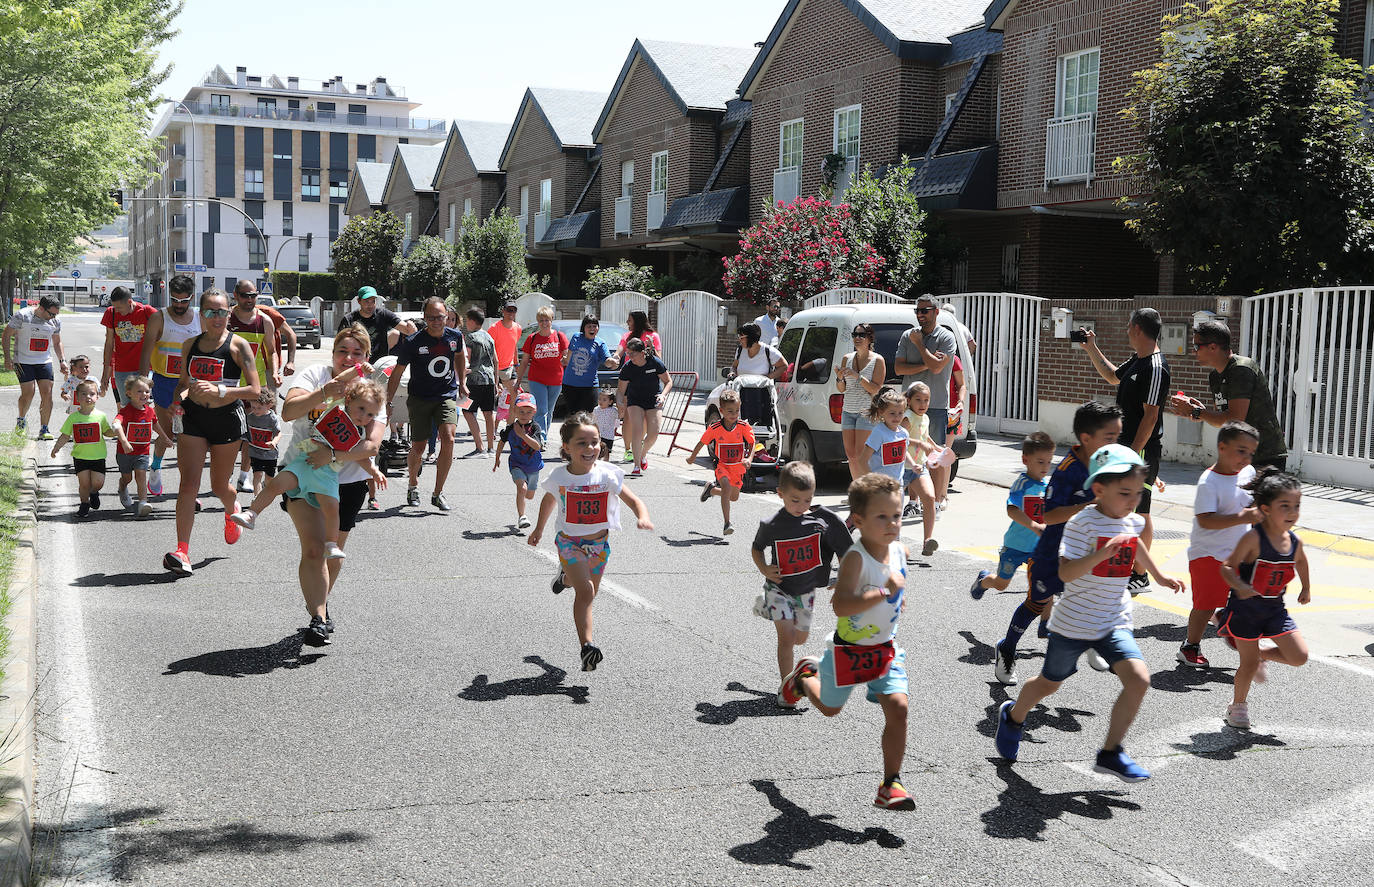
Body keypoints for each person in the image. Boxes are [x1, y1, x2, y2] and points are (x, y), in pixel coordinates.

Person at [994, 444, 1185, 781]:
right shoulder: (1082, 523)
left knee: (1139, 679)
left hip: (1114, 620)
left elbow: (1134, 540)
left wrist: (1158, 575)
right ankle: (1014, 716)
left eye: (1136, 493)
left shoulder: (1130, 520)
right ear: (1099, 489)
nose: (1132, 501)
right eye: (1124, 492)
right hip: (1073, 623)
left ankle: (1111, 752)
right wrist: (1101, 554)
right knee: (1048, 684)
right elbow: (1065, 574)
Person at [777, 473, 915, 810]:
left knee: (898, 708)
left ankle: (890, 783)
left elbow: (894, 590)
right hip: (850, 650)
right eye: (881, 517)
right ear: (859, 520)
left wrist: (896, 599)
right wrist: (883, 593)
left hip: (885, 648)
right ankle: (804, 678)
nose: (891, 523)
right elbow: (841, 605)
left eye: (896, 515)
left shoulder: (898, 550)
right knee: (829, 708)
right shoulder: (856, 558)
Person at [994, 401, 1123, 686]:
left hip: (1083, 550)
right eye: (1110, 437)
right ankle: (1007, 648)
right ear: (1087, 438)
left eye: (1117, 437)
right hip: (1052, 552)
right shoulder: (1067, 470)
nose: (1115, 443)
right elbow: (1049, 515)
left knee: (1089, 597)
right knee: (1036, 604)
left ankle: (1092, 642)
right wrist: (1087, 506)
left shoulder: (1110, 463)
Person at [276, 324, 388, 645]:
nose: (348, 358)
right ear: (334, 353)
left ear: (367, 357)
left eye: (357, 353)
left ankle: (320, 605)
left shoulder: (372, 391)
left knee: (333, 556)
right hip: (303, 474)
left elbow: (372, 445)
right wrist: (331, 390)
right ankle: (319, 618)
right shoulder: (315, 375)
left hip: (347, 483)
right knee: (313, 549)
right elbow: (288, 412)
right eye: (343, 351)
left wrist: (333, 454)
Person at [529, 411, 654, 672]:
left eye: (594, 442)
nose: (590, 448)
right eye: (582, 443)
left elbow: (634, 500)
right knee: (585, 592)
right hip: (569, 543)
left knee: (587, 593)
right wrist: (539, 529)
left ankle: (563, 579)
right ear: (567, 447)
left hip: (599, 545)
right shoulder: (560, 477)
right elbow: (549, 500)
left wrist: (642, 517)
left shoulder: (608, 474)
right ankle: (587, 647)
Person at [162, 289, 261, 576]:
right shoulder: (190, 344)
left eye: (221, 311)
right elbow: (183, 382)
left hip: (226, 419)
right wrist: (177, 401)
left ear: (229, 313)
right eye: (210, 312)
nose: (217, 317)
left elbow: (255, 390)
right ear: (201, 314)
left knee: (219, 486)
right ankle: (182, 550)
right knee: (188, 485)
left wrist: (220, 390)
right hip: (193, 418)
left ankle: (232, 510)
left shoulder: (238, 346)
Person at [232, 377, 384, 562]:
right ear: (349, 400)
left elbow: (359, 456)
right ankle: (251, 513)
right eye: (362, 408)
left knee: (332, 508)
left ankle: (331, 543)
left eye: (370, 415)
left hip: (327, 472)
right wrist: (352, 374)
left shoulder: (359, 434)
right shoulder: (335, 409)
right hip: (306, 460)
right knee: (276, 484)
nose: (364, 417)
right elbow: (325, 396)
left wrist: (374, 471)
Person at [1079, 309, 1170, 592]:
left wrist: (1131, 454)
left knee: (1140, 511)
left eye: (1129, 327)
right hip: (1125, 449)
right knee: (1120, 506)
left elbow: (1151, 416)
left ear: (1137, 328)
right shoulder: (1137, 360)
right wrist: (1091, 347)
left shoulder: (1155, 367)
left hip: (1139, 450)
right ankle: (1118, 563)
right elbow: (1112, 376)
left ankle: (1140, 576)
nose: (1127, 331)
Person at [1215, 468, 1311, 729]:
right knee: (1247, 663)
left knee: (1299, 656)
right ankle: (1237, 708)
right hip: (1246, 610)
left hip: (1274, 610)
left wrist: (1306, 588)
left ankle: (1262, 654)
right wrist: (1239, 585)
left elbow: (1301, 561)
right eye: (1285, 506)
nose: (1293, 512)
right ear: (1266, 509)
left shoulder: (1294, 540)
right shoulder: (1253, 538)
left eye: (1297, 506)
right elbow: (1226, 566)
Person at [751, 461, 852, 706]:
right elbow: (757, 549)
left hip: (806, 591)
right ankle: (789, 686)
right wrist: (764, 568)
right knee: (786, 638)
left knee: (800, 638)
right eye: (794, 500)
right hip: (779, 588)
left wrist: (843, 579)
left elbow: (845, 550)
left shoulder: (822, 521)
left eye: (807, 500)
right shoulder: (772, 524)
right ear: (780, 494)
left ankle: (764, 608)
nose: (801, 506)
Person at [1179, 421, 1261, 669]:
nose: (1246, 458)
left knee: (1244, 595)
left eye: (1250, 453)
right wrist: (1244, 517)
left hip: (1238, 553)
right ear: (1222, 447)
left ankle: (1226, 619)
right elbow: (1205, 521)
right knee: (1204, 605)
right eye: (1240, 451)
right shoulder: (1209, 482)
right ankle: (1190, 646)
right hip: (1208, 554)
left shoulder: (1247, 473)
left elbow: (1253, 499)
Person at [1169, 320, 1287, 470]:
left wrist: (1197, 412)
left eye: (1197, 346)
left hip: (1265, 458)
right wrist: (1199, 412)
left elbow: (1235, 420)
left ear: (1213, 347)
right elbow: (1224, 421)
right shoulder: (1215, 376)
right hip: (1240, 459)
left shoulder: (1241, 369)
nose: (1193, 351)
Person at [386, 297, 467, 512]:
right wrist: (387, 402)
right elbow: (397, 373)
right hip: (420, 398)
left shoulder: (455, 336)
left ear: (446, 317)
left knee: (448, 439)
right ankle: (413, 485)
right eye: (431, 318)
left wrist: (462, 383)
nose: (436, 321)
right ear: (425, 318)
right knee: (419, 447)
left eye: (440, 317)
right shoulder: (412, 342)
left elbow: (459, 356)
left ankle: (438, 493)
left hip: (446, 396)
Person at [970, 432, 1056, 600]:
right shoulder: (1021, 484)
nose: (1045, 467)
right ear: (1026, 460)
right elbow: (1012, 509)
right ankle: (983, 580)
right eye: (1040, 462)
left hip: (1038, 547)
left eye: (1049, 462)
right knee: (1001, 585)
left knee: (1041, 585)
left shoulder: (1049, 486)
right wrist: (1034, 526)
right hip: (1015, 545)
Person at [139, 275, 200, 496]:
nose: (179, 305)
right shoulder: (159, 318)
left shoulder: (199, 318)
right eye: (175, 300)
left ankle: (189, 489)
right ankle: (155, 466)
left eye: (184, 301)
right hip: (165, 381)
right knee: (167, 432)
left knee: (190, 436)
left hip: (191, 383)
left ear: (191, 297)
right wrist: (142, 383)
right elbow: (146, 352)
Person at [893, 294, 956, 509]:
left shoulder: (946, 338)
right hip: (908, 408)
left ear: (936, 312)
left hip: (935, 405)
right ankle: (914, 502)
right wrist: (927, 363)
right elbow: (899, 369)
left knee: (933, 456)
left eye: (925, 310)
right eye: (917, 311)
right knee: (911, 454)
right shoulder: (906, 335)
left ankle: (938, 500)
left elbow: (938, 368)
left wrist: (920, 346)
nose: (920, 315)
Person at [50, 379, 129, 517]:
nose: (88, 397)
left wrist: (116, 431)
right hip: (80, 456)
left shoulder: (101, 416)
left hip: (98, 456)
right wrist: (56, 448)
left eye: (91, 394)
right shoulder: (73, 418)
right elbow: (65, 435)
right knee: (84, 483)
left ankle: (94, 493)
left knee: (98, 483)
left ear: (97, 397)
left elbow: (106, 432)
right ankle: (84, 504)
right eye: (84, 394)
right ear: (77, 397)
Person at [685, 389, 755, 536]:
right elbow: (702, 442)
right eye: (730, 411)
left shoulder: (743, 427)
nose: (734, 414)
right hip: (722, 466)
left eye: (736, 411)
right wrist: (692, 457)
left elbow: (752, 443)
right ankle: (727, 523)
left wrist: (748, 459)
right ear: (721, 411)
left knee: (733, 497)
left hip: (738, 468)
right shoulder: (715, 428)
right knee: (726, 487)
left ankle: (710, 490)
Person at [3, 294, 67, 439]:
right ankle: (21, 421)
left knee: (47, 393)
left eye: (56, 314)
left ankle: (44, 429)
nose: (54, 317)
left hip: (44, 360)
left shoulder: (55, 321)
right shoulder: (23, 316)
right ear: (41, 308)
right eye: (51, 313)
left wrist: (62, 360)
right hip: (23, 360)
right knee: (28, 393)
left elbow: (57, 342)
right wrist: (8, 357)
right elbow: (6, 335)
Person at [836, 323, 887, 482]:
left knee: (861, 454)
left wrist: (857, 376)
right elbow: (841, 389)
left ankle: (867, 489)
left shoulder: (878, 360)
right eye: (855, 335)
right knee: (851, 455)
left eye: (861, 335)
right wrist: (839, 377)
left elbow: (875, 389)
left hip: (866, 412)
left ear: (869, 338)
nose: (857, 338)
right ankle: (856, 490)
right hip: (848, 410)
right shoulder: (847, 358)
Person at [616, 338, 672, 477]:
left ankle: (642, 454)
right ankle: (636, 466)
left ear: (642, 353)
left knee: (653, 433)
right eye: (628, 353)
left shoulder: (654, 362)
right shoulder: (628, 368)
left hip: (653, 399)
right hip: (635, 400)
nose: (630, 357)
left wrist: (663, 395)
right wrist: (619, 403)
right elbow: (620, 390)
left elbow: (668, 381)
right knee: (638, 430)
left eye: (632, 354)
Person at [513, 306, 570, 442]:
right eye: (541, 320)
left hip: (556, 380)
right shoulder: (532, 338)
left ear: (551, 320)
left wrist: (565, 358)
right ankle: (540, 439)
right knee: (541, 410)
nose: (544, 323)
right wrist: (518, 380)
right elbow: (525, 360)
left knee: (549, 411)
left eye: (547, 320)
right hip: (537, 379)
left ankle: (541, 436)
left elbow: (567, 356)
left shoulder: (559, 336)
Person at [111, 375, 164, 517]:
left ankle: (143, 503)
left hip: (142, 452)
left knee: (141, 475)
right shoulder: (125, 411)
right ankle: (122, 487)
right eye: (139, 391)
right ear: (128, 393)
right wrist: (124, 442)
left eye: (146, 391)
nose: (144, 394)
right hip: (125, 453)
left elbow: (155, 424)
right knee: (127, 478)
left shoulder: (150, 411)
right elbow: (116, 425)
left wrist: (165, 438)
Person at [492, 391, 544, 531]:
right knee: (522, 488)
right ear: (514, 411)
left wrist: (522, 435)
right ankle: (522, 517)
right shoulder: (510, 429)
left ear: (534, 412)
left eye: (528, 412)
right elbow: (501, 442)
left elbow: (537, 446)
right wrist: (497, 457)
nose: (524, 415)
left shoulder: (535, 428)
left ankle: (524, 501)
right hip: (516, 464)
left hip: (533, 466)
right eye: (521, 411)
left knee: (530, 495)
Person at [98, 286, 157, 406]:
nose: (117, 310)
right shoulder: (111, 313)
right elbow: (109, 344)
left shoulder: (147, 312)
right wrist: (105, 374)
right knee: (126, 407)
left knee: (143, 407)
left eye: (119, 307)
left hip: (145, 368)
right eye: (115, 307)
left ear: (129, 302)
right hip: (122, 369)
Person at [900, 382, 938, 556]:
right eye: (918, 400)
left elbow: (924, 435)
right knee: (893, 509)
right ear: (908, 401)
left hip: (919, 467)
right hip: (901, 468)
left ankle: (927, 541)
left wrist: (937, 448)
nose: (923, 404)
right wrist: (921, 444)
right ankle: (891, 544)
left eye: (926, 400)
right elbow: (901, 440)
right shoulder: (907, 417)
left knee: (930, 498)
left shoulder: (925, 417)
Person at [460, 307, 498, 456]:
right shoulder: (489, 337)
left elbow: (466, 359)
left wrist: (461, 378)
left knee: (467, 411)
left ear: (471, 321)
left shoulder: (470, 337)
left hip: (474, 380)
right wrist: (496, 382)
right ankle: (490, 448)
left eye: (466, 320)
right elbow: (496, 360)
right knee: (488, 413)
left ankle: (479, 447)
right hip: (489, 379)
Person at [340, 285, 414, 362]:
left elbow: (406, 329)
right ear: (359, 301)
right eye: (366, 301)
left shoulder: (384, 315)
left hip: (379, 365)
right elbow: (341, 345)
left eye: (373, 301)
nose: (370, 305)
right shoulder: (349, 320)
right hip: (356, 364)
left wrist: (411, 328)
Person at [862, 388, 915, 491]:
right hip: (880, 487)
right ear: (881, 412)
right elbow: (862, 460)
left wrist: (913, 465)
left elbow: (904, 451)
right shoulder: (879, 432)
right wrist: (872, 481)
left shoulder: (904, 433)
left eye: (900, 413)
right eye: (892, 413)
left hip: (898, 486)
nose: (897, 417)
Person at [563, 314, 614, 416]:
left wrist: (612, 362)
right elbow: (568, 358)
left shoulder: (600, 343)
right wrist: (564, 360)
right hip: (570, 384)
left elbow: (607, 361)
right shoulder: (576, 337)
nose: (592, 329)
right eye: (589, 326)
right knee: (575, 416)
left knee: (590, 415)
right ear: (584, 328)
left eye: (594, 326)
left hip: (589, 385)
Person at [244, 390, 283, 495]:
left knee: (269, 479)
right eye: (253, 407)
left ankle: (266, 485)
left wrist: (274, 442)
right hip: (255, 452)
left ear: (269, 405)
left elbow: (278, 433)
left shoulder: (272, 418)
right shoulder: (250, 417)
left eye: (259, 408)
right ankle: (257, 498)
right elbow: (246, 431)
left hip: (270, 454)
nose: (255, 410)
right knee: (257, 475)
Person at [488, 301, 522, 385]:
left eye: (514, 310)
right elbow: (488, 350)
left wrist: (517, 364)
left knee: (515, 393)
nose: (511, 313)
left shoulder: (518, 328)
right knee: (496, 396)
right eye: (509, 310)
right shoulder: (494, 328)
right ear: (503, 311)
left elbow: (514, 347)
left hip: (510, 368)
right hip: (495, 369)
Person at [592, 390, 619, 461]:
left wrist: (616, 429)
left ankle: (606, 463)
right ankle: (596, 461)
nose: (601, 401)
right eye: (600, 399)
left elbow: (617, 419)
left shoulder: (613, 410)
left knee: (607, 451)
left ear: (610, 402)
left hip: (608, 434)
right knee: (597, 449)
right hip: (598, 434)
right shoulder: (596, 409)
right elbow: (594, 420)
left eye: (604, 400)